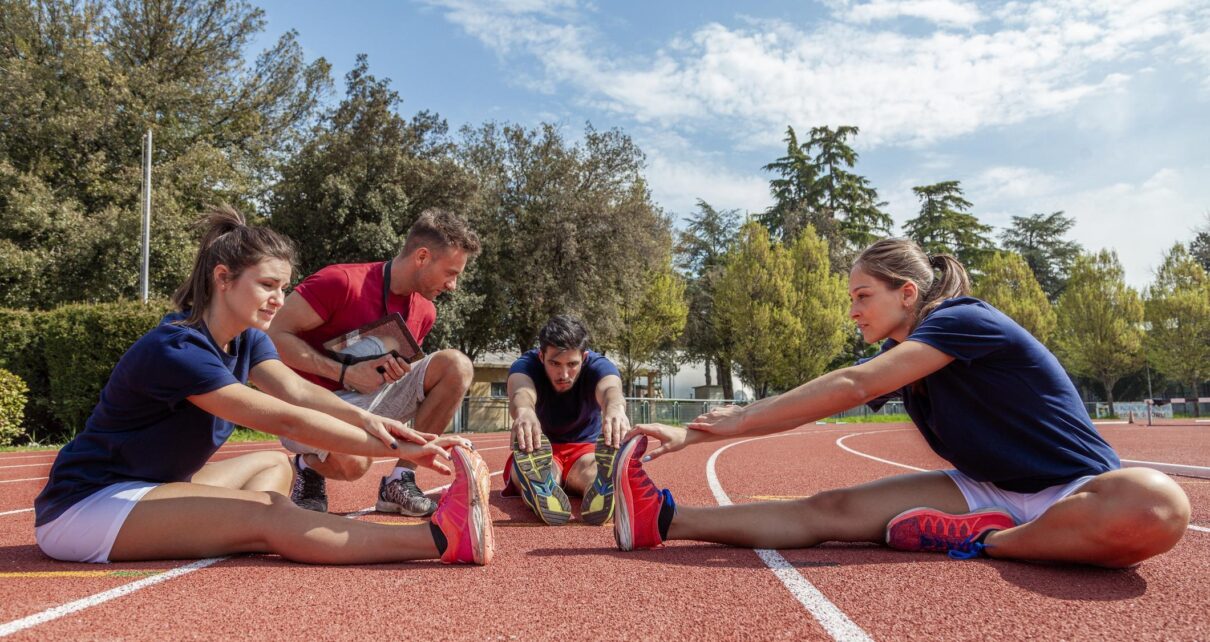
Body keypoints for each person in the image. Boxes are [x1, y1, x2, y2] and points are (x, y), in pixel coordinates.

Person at [612, 238, 1190, 568]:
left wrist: (725, 423)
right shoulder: (907, 354)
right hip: (983, 488)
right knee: (831, 508)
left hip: (1073, 490)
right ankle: (665, 520)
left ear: (907, 292)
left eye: (863, 296)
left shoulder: (963, 320)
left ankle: (982, 538)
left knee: (1159, 504)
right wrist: (694, 434)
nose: (854, 311)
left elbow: (852, 386)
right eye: (851, 299)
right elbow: (819, 402)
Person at [33, 205, 493, 565]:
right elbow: (282, 414)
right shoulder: (177, 348)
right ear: (222, 279)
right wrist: (397, 450)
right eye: (268, 286)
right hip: (88, 506)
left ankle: (231, 527)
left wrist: (372, 420)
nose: (279, 300)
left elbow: (297, 392)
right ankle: (438, 538)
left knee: (274, 469)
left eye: (284, 286)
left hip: (154, 483)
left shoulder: (247, 339)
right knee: (271, 511)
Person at [268, 209, 479, 517]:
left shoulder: (425, 312)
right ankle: (307, 467)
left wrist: (388, 372)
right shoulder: (340, 282)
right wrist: (344, 372)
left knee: (457, 365)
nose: (452, 286)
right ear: (422, 257)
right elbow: (273, 335)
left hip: (369, 400)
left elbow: (384, 369)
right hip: (309, 404)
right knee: (355, 464)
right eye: (451, 273)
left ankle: (399, 481)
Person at [504, 315, 630, 525]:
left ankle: (602, 488)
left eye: (572, 364)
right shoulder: (525, 365)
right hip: (538, 447)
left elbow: (610, 389)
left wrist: (615, 409)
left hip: (585, 449)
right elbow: (521, 393)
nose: (563, 374)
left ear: (585, 357)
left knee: (593, 470)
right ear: (541, 356)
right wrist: (525, 412)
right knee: (537, 470)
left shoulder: (599, 366)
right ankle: (541, 488)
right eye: (554, 363)